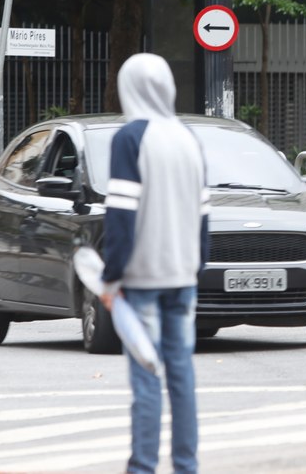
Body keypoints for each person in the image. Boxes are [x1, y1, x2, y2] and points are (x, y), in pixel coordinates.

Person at [99, 53, 209, 474]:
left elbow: (121, 217)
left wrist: (111, 278)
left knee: (147, 380)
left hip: (142, 277)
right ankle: (186, 466)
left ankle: (142, 468)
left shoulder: (130, 138)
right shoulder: (189, 138)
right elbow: (203, 216)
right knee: (182, 378)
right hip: (184, 276)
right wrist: (195, 269)